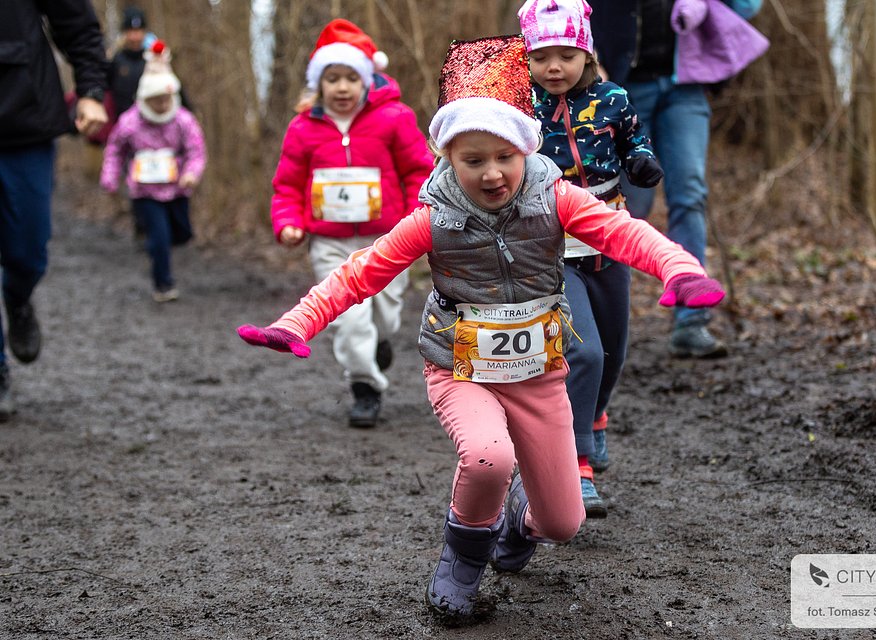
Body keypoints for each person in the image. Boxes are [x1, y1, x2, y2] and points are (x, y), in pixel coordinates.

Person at [237, 35, 725, 620]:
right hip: (460, 367)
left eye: (504, 158)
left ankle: (521, 522)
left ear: (526, 151)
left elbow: (627, 234)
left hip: (539, 373)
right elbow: (358, 274)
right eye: (472, 161)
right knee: (488, 456)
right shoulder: (431, 217)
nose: (492, 174)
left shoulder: (558, 199)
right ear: (449, 160)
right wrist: (297, 323)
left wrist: (680, 268)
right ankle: (460, 569)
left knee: (562, 523)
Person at [519, 0, 664, 518]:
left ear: (586, 53)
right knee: (582, 353)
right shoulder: (520, 105)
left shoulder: (613, 98)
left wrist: (642, 162)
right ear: (527, 58)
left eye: (565, 55)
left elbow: (633, 140)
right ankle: (578, 465)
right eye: (541, 57)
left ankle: (596, 417)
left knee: (615, 351)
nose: (553, 67)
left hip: (607, 234)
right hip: (551, 241)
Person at [270, 19, 433, 429]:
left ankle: (377, 345)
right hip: (329, 241)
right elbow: (286, 184)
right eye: (332, 79)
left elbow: (418, 171)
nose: (342, 88)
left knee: (384, 316)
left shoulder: (394, 118)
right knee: (349, 317)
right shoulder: (303, 128)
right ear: (318, 84)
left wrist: (420, 216)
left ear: (366, 80)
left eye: (350, 78)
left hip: (388, 237)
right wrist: (288, 222)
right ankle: (365, 388)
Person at [590, 0, 766, 359]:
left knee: (689, 195)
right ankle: (601, 325)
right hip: (622, 90)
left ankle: (691, 320)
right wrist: (587, 57)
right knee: (622, 209)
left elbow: (747, 6)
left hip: (684, 85)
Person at [0, 0, 108, 421]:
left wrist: (91, 92)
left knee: (28, 253)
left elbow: (78, 27)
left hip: (26, 126)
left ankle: (19, 299)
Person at [100, 41, 206, 303]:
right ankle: (163, 283)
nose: (161, 105)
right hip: (144, 191)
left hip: (177, 187)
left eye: (165, 99)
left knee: (181, 233)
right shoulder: (130, 122)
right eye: (155, 100)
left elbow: (196, 150)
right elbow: (115, 150)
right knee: (159, 237)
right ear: (145, 98)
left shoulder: (183, 119)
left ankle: (162, 246)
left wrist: (192, 173)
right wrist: (110, 177)